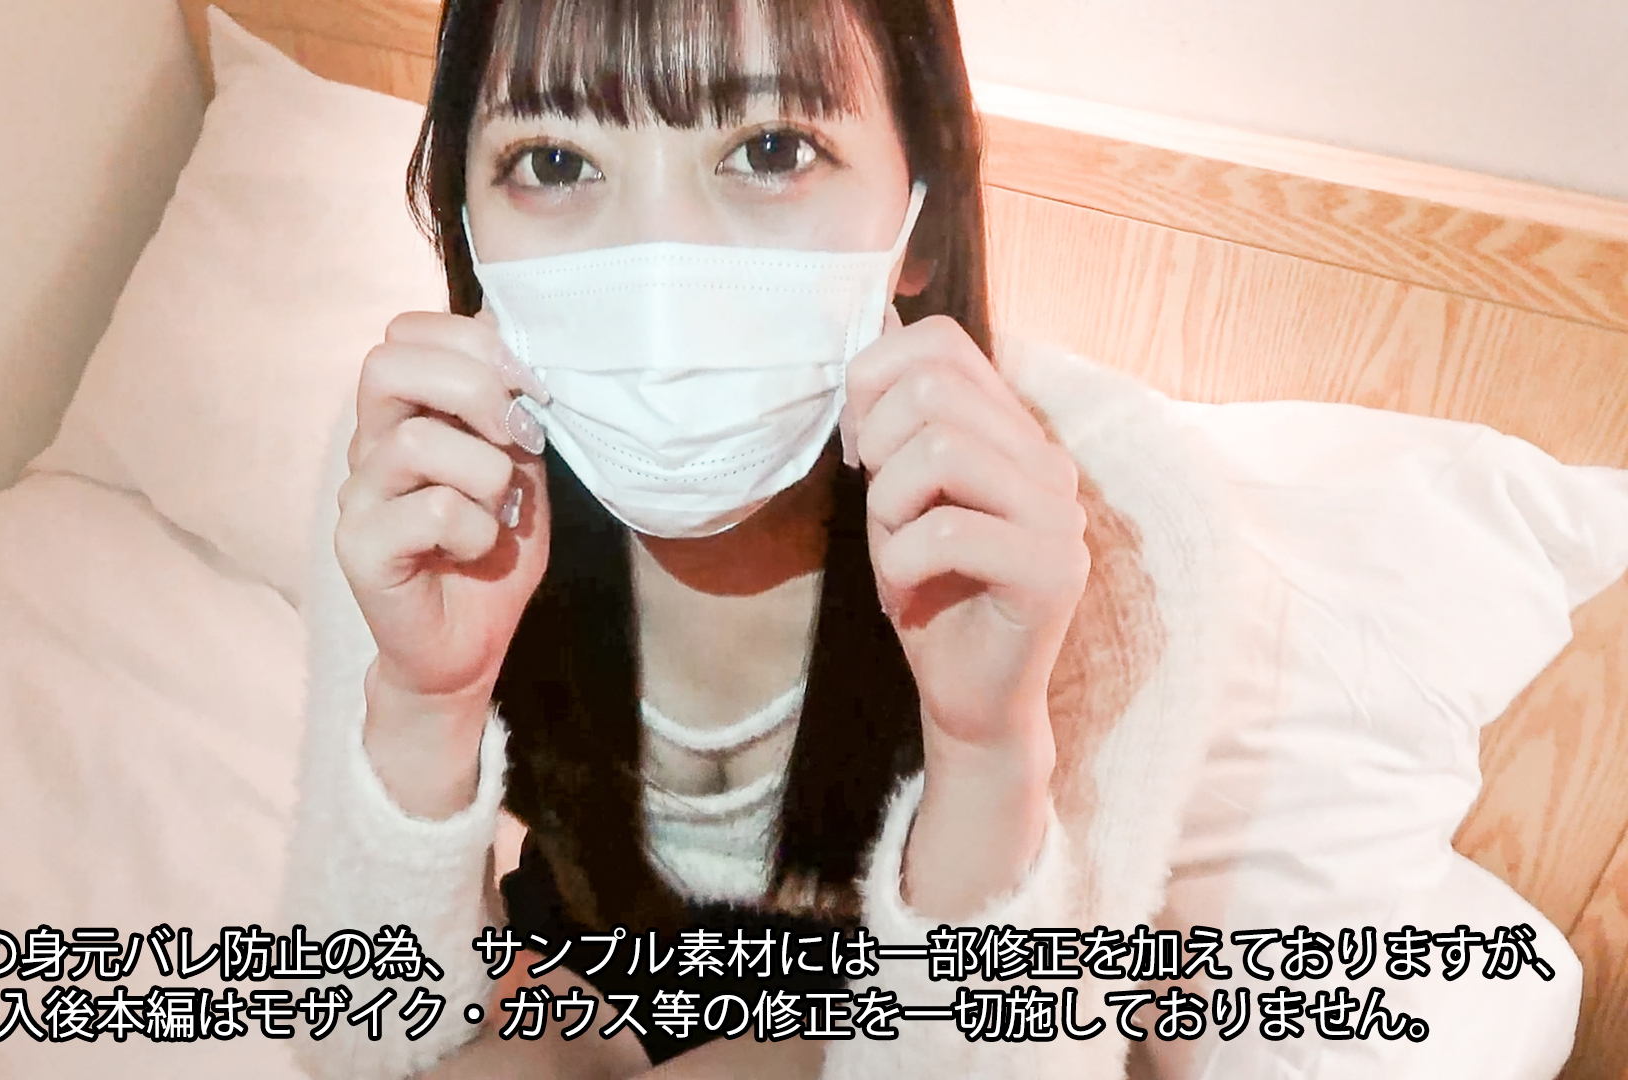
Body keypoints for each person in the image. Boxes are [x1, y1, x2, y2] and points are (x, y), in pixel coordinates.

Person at [284, 0, 1230, 1076]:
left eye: (773, 150)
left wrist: (988, 752)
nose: (659, 278)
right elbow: (352, 1036)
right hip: (592, 950)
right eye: (554, 162)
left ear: (921, 212)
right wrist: (424, 704)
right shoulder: (424, 470)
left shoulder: (1107, 521)